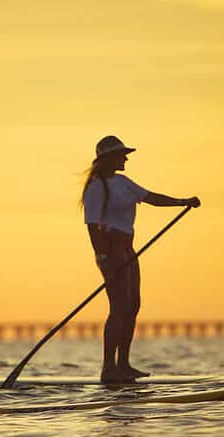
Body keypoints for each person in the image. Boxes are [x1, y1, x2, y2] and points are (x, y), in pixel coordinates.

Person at [81, 135, 200, 383]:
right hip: (110, 249)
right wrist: (103, 258)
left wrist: (182, 202)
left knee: (133, 306)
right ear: (108, 159)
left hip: (128, 247)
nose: (126, 158)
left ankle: (123, 365)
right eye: (121, 154)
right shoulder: (96, 187)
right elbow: (92, 227)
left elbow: (151, 198)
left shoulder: (124, 182)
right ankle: (108, 368)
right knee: (119, 307)